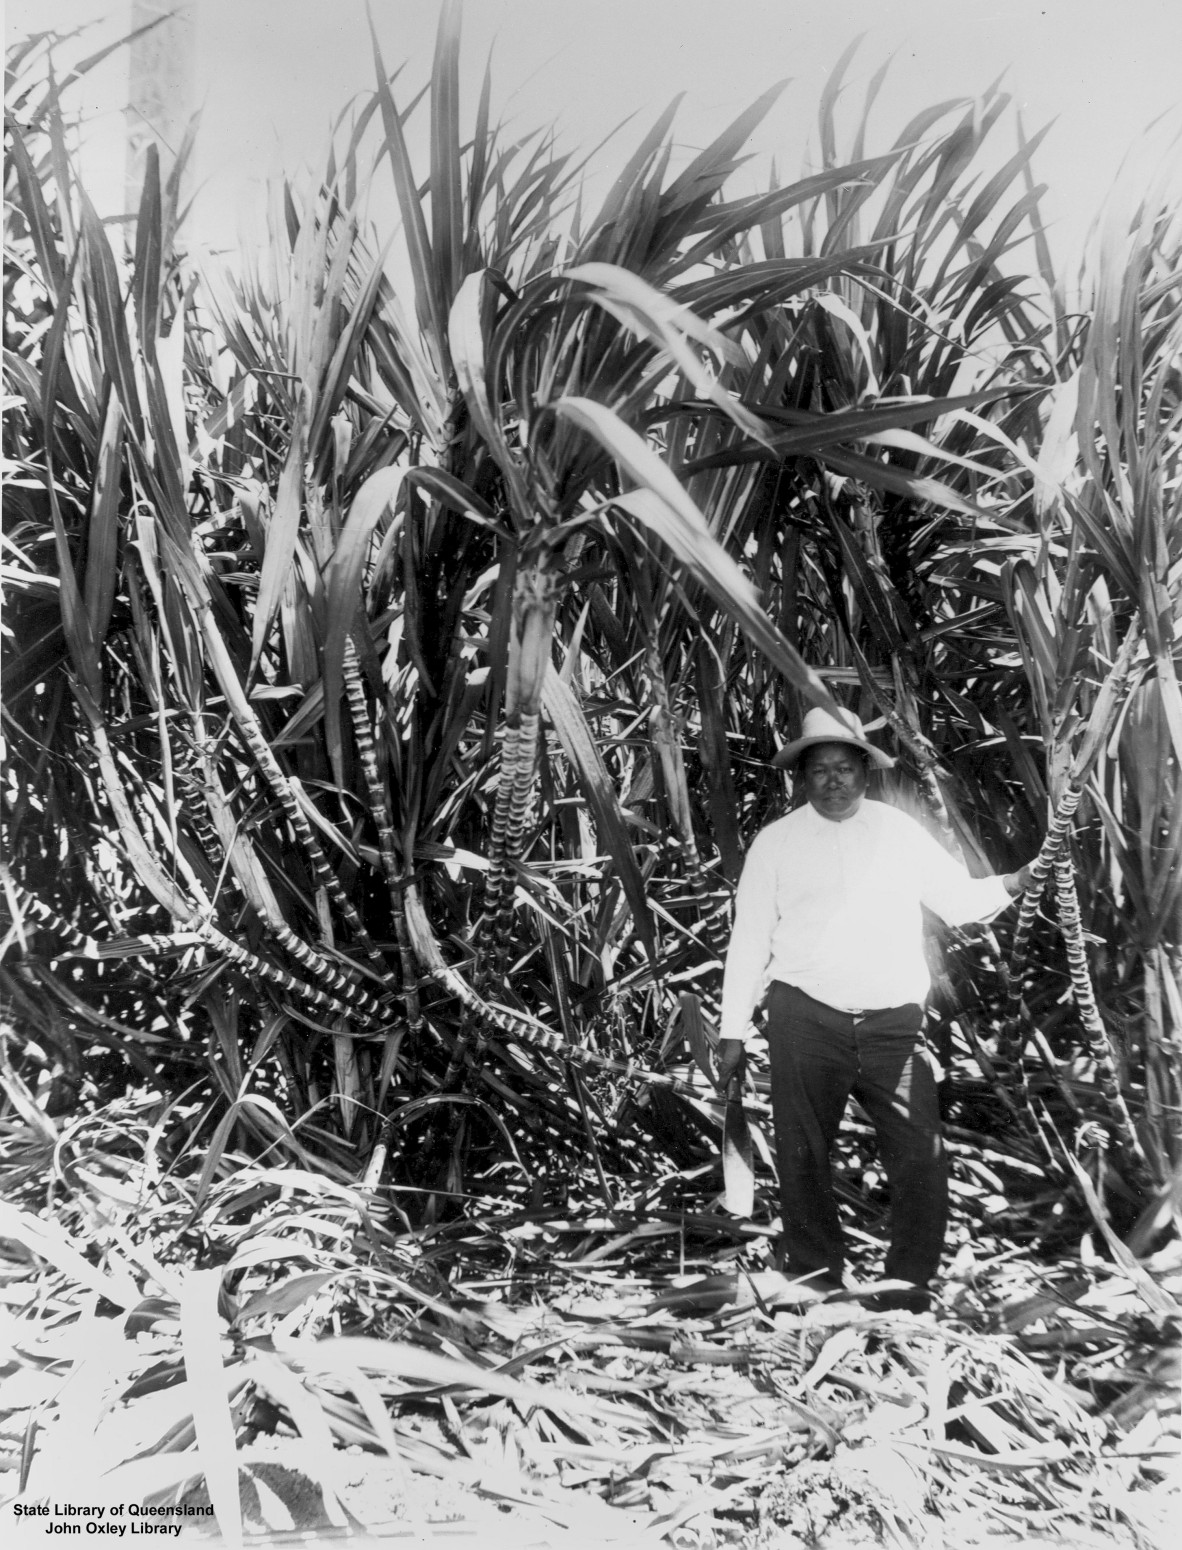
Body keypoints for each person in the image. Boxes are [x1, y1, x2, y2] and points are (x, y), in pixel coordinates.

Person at [716, 706, 1033, 1312]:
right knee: (803, 1152)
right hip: (805, 1016)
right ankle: (815, 1279)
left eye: (844, 767)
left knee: (920, 1155)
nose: (833, 781)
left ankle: (906, 1287)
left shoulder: (895, 830)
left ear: (865, 770)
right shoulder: (776, 843)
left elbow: (958, 901)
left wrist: (1016, 881)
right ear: (801, 778)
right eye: (819, 770)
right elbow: (751, 939)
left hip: (893, 1024)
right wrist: (733, 1031)